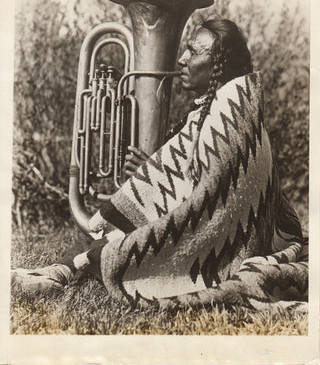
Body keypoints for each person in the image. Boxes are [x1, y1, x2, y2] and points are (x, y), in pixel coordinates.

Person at [12, 19, 306, 310]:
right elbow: (201, 177)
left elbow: (215, 201)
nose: (182, 58)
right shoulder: (216, 109)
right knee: (115, 233)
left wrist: (158, 174)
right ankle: (58, 272)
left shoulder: (231, 113)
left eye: (194, 51)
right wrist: (157, 171)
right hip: (213, 226)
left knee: (121, 244)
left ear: (220, 64)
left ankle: (59, 273)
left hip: (229, 246)